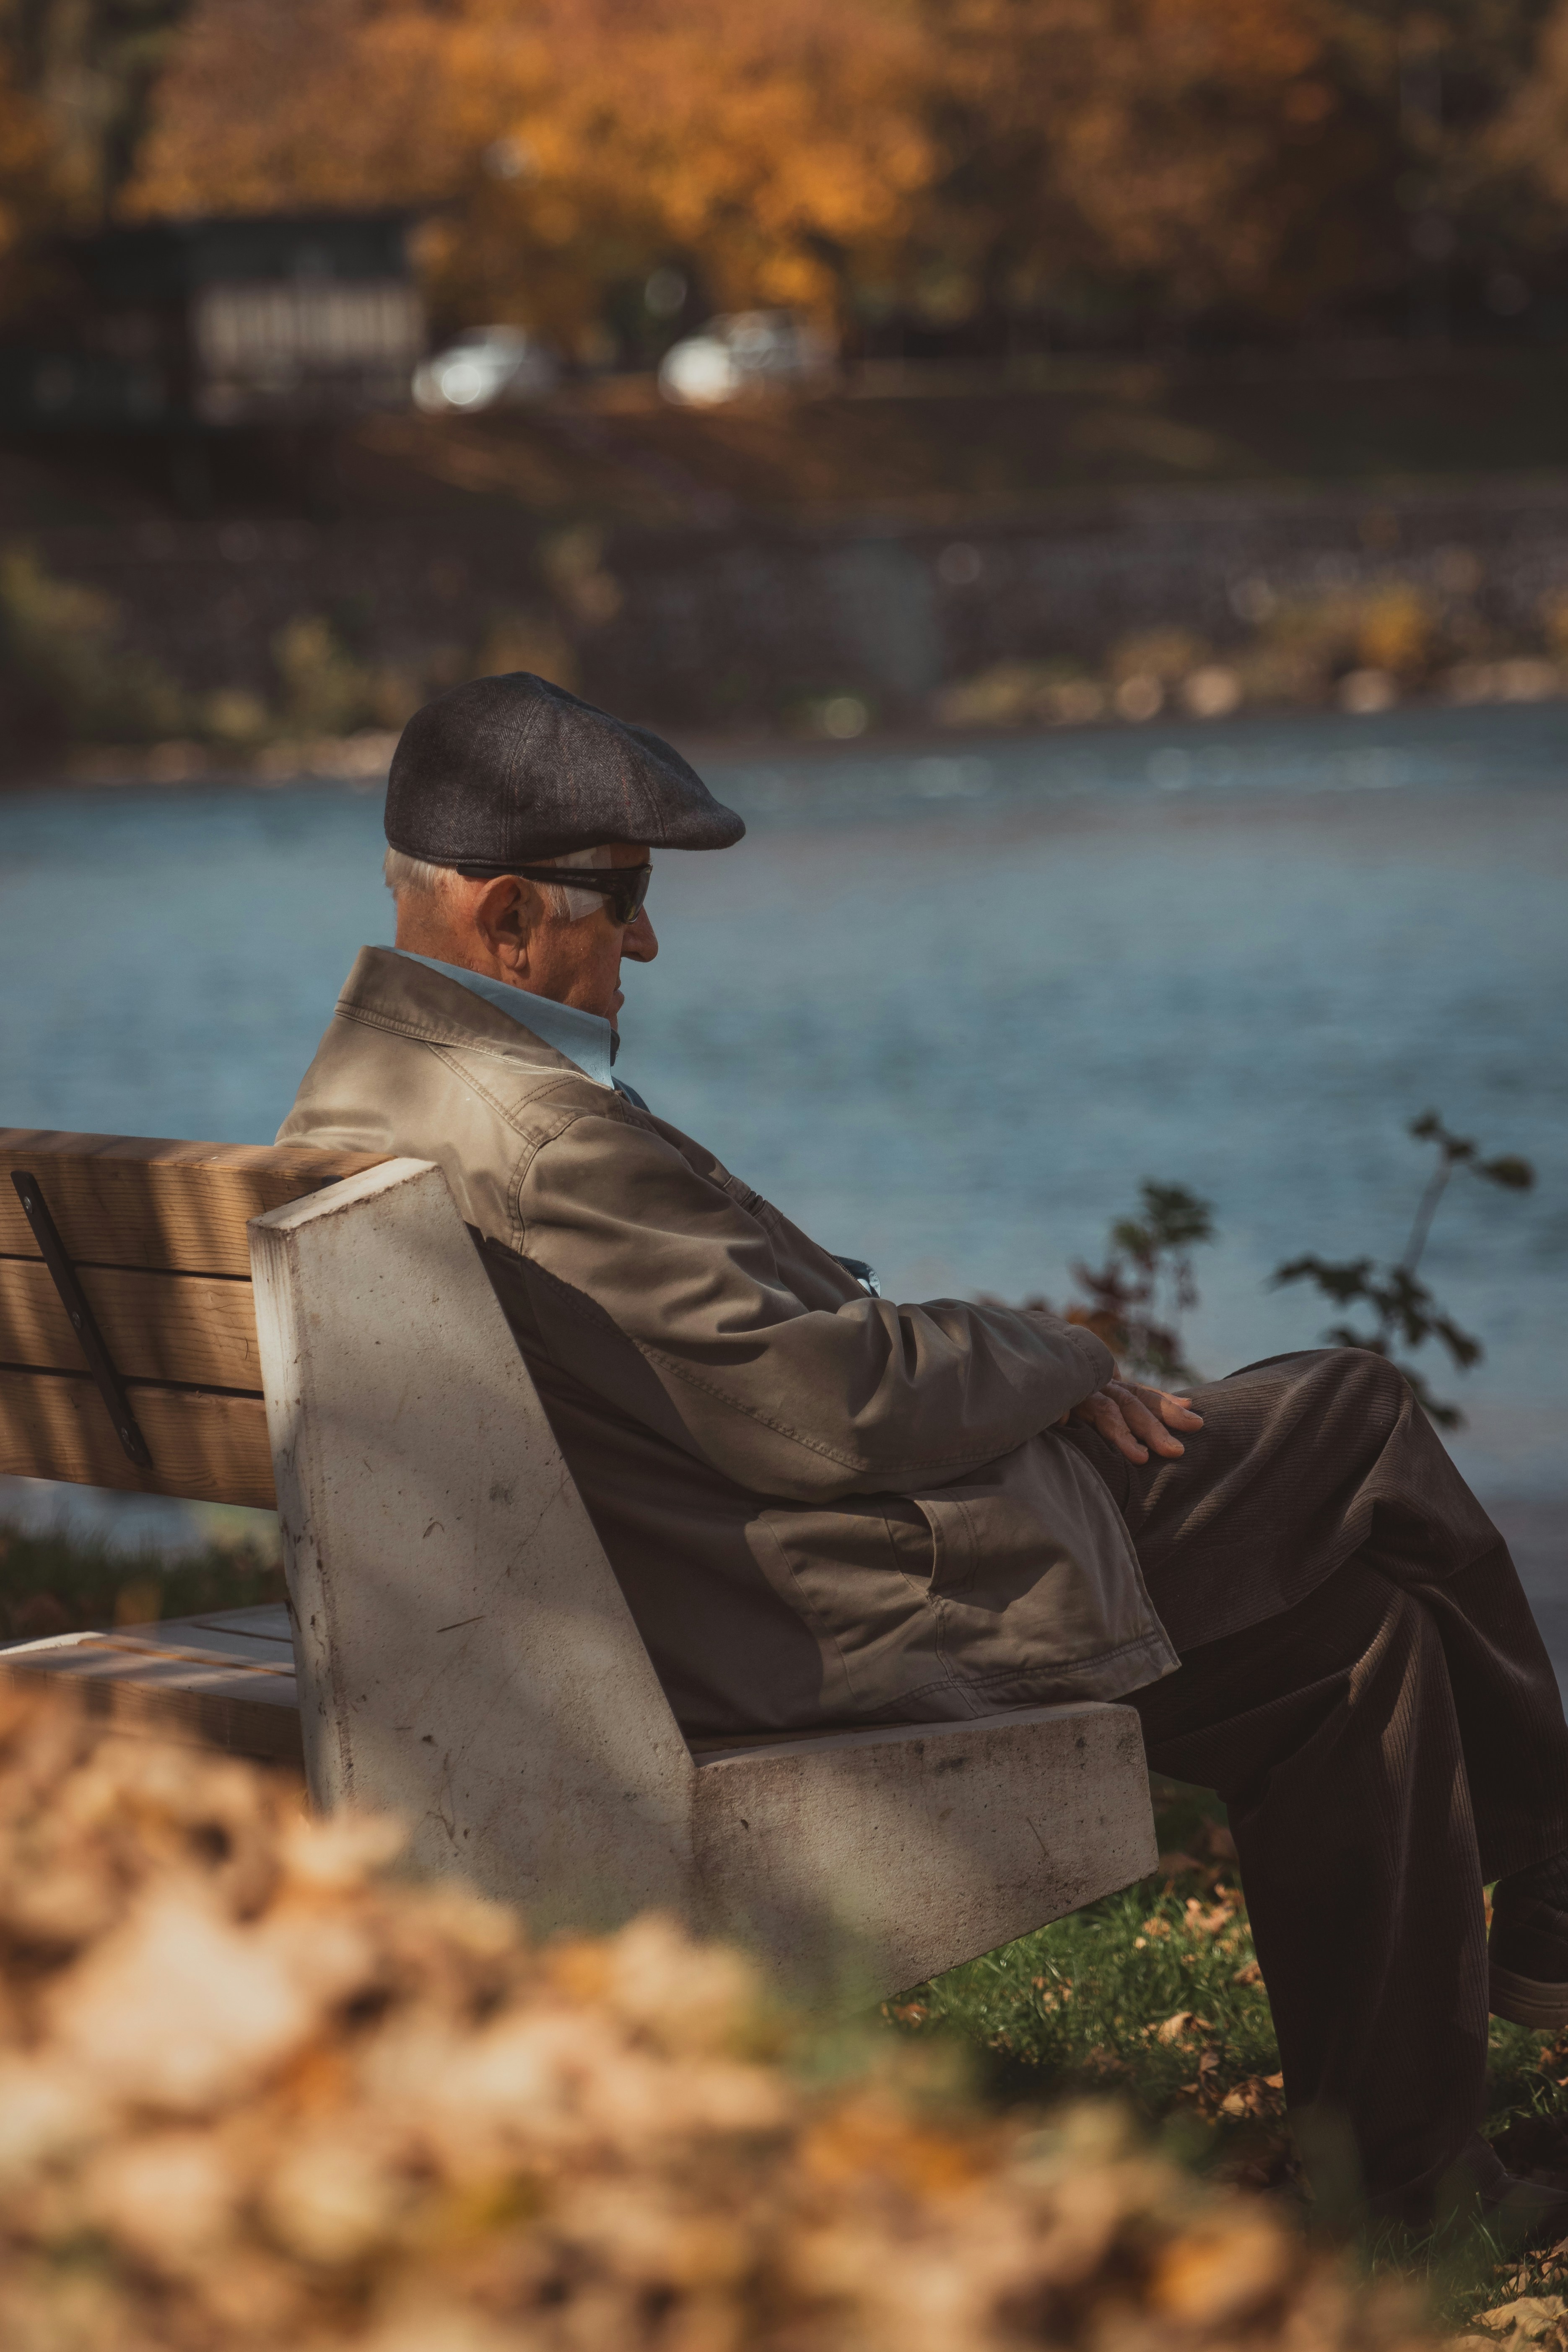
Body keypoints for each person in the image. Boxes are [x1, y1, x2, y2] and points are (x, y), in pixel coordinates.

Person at [281, 669, 1568, 2238]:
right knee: (1353, 1412)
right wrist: (1061, 1356)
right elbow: (826, 1402)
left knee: (1353, 1645)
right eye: (618, 900)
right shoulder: (542, 1133)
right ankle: (1553, 1893)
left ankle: (1420, 2193)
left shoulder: (360, 1085)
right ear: (499, 916)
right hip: (837, 1604)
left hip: (671, 1595)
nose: (646, 941)